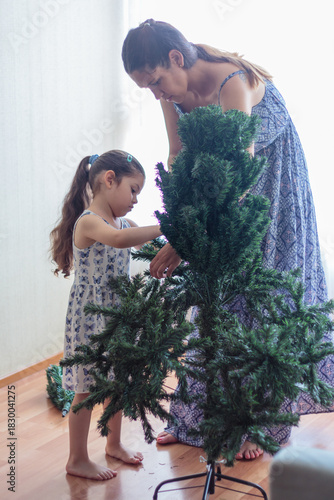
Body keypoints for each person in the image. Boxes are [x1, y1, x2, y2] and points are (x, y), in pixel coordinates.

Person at [122, 19, 334, 460]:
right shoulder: (173, 94)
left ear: (176, 59)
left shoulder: (233, 84)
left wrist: (185, 239)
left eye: (157, 81)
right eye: (147, 88)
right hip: (222, 183)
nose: (157, 94)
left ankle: (262, 423)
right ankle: (193, 419)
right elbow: (179, 154)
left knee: (264, 293)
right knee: (213, 298)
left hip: (269, 183)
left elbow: (239, 174)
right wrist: (179, 218)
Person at [50, 150, 162, 480]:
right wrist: (166, 225)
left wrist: (175, 250)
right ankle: (77, 459)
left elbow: (144, 245)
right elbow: (118, 240)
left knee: (119, 381)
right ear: (108, 180)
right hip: (89, 316)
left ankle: (113, 445)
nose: (135, 200)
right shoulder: (89, 221)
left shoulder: (125, 222)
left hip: (119, 313)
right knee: (86, 387)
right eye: (133, 190)